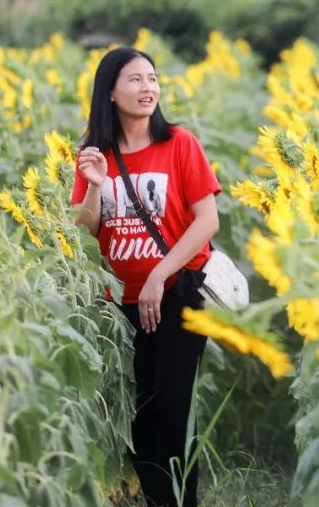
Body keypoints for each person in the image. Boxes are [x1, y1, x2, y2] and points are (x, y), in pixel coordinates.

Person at [71, 47, 221, 507]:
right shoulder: (95, 155)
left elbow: (206, 221)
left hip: (179, 293)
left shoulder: (179, 143)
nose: (147, 88)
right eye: (135, 80)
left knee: (173, 415)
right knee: (138, 418)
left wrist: (160, 273)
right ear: (110, 92)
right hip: (119, 303)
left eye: (152, 78)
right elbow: (83, 229)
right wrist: (96, 184)